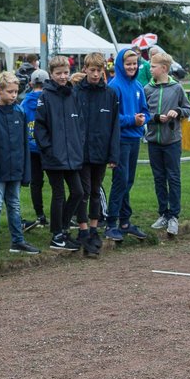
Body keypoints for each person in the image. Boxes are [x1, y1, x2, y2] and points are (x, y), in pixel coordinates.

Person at [0, 72, 37, 257]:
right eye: (10, 91)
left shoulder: (19, 111)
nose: (14, 95)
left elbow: (24, 144)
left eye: (16, 92)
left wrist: (26, 171)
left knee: (15, 204)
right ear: (0, 90)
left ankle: (18, 240)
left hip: (16, 168)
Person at [33, 56, 85, 252]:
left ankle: (63, 229)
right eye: (58, 73)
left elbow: (79, 125)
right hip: (54, 156)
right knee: (59, 194)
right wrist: (49, 149)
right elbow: (40, 128)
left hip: (72, 155)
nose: (63, 77)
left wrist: (79, 145)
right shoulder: (45, 97)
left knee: (78, 192)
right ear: (51, 74)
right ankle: (56, 235)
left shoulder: (73, 95)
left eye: (65, 72)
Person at [74, 52, 120, 257]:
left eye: (98, 71)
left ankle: (94, 228)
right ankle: (82, 229)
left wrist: (113, 154)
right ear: (85, 69)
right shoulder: (76, 92)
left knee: (95, 190)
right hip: (81, 151)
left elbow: (114, 126)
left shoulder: (110, 94)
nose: (95, 74)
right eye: (91, 70)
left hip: (101, 150)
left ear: (103, 71)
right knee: (82, 191)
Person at [144, 52, 190, 237]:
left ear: (163, 68)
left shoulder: (177, 88)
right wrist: (155, 117)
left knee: (173, 177)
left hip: (172, 141)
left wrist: (177, 111)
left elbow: (188, 109)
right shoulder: (147, 89)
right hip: (154, 141)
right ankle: (163, 213)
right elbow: (143, 113)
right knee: (158, 178)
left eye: (153, 66)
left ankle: (174, 216)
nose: (150, 68)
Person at [105, 49, 148, 243]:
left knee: (128, 180)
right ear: (121, 65)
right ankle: (111, 223)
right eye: (128, 64)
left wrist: (142, 118)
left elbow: (145, 111)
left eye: (134, 63)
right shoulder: (114, 87)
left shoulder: (138, 85)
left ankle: (124, 222)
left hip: (134, 139)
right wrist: (133, 119)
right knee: (120, 180)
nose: (132, 67)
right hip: (120, 140)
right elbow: (110, 117)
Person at [21, 69, 49, 231]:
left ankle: (40, 215)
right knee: (56, 183)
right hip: (47, 147)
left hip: (31, 148)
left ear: (31, 84)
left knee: (36, 183)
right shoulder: (48, 100)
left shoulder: (24, 103)